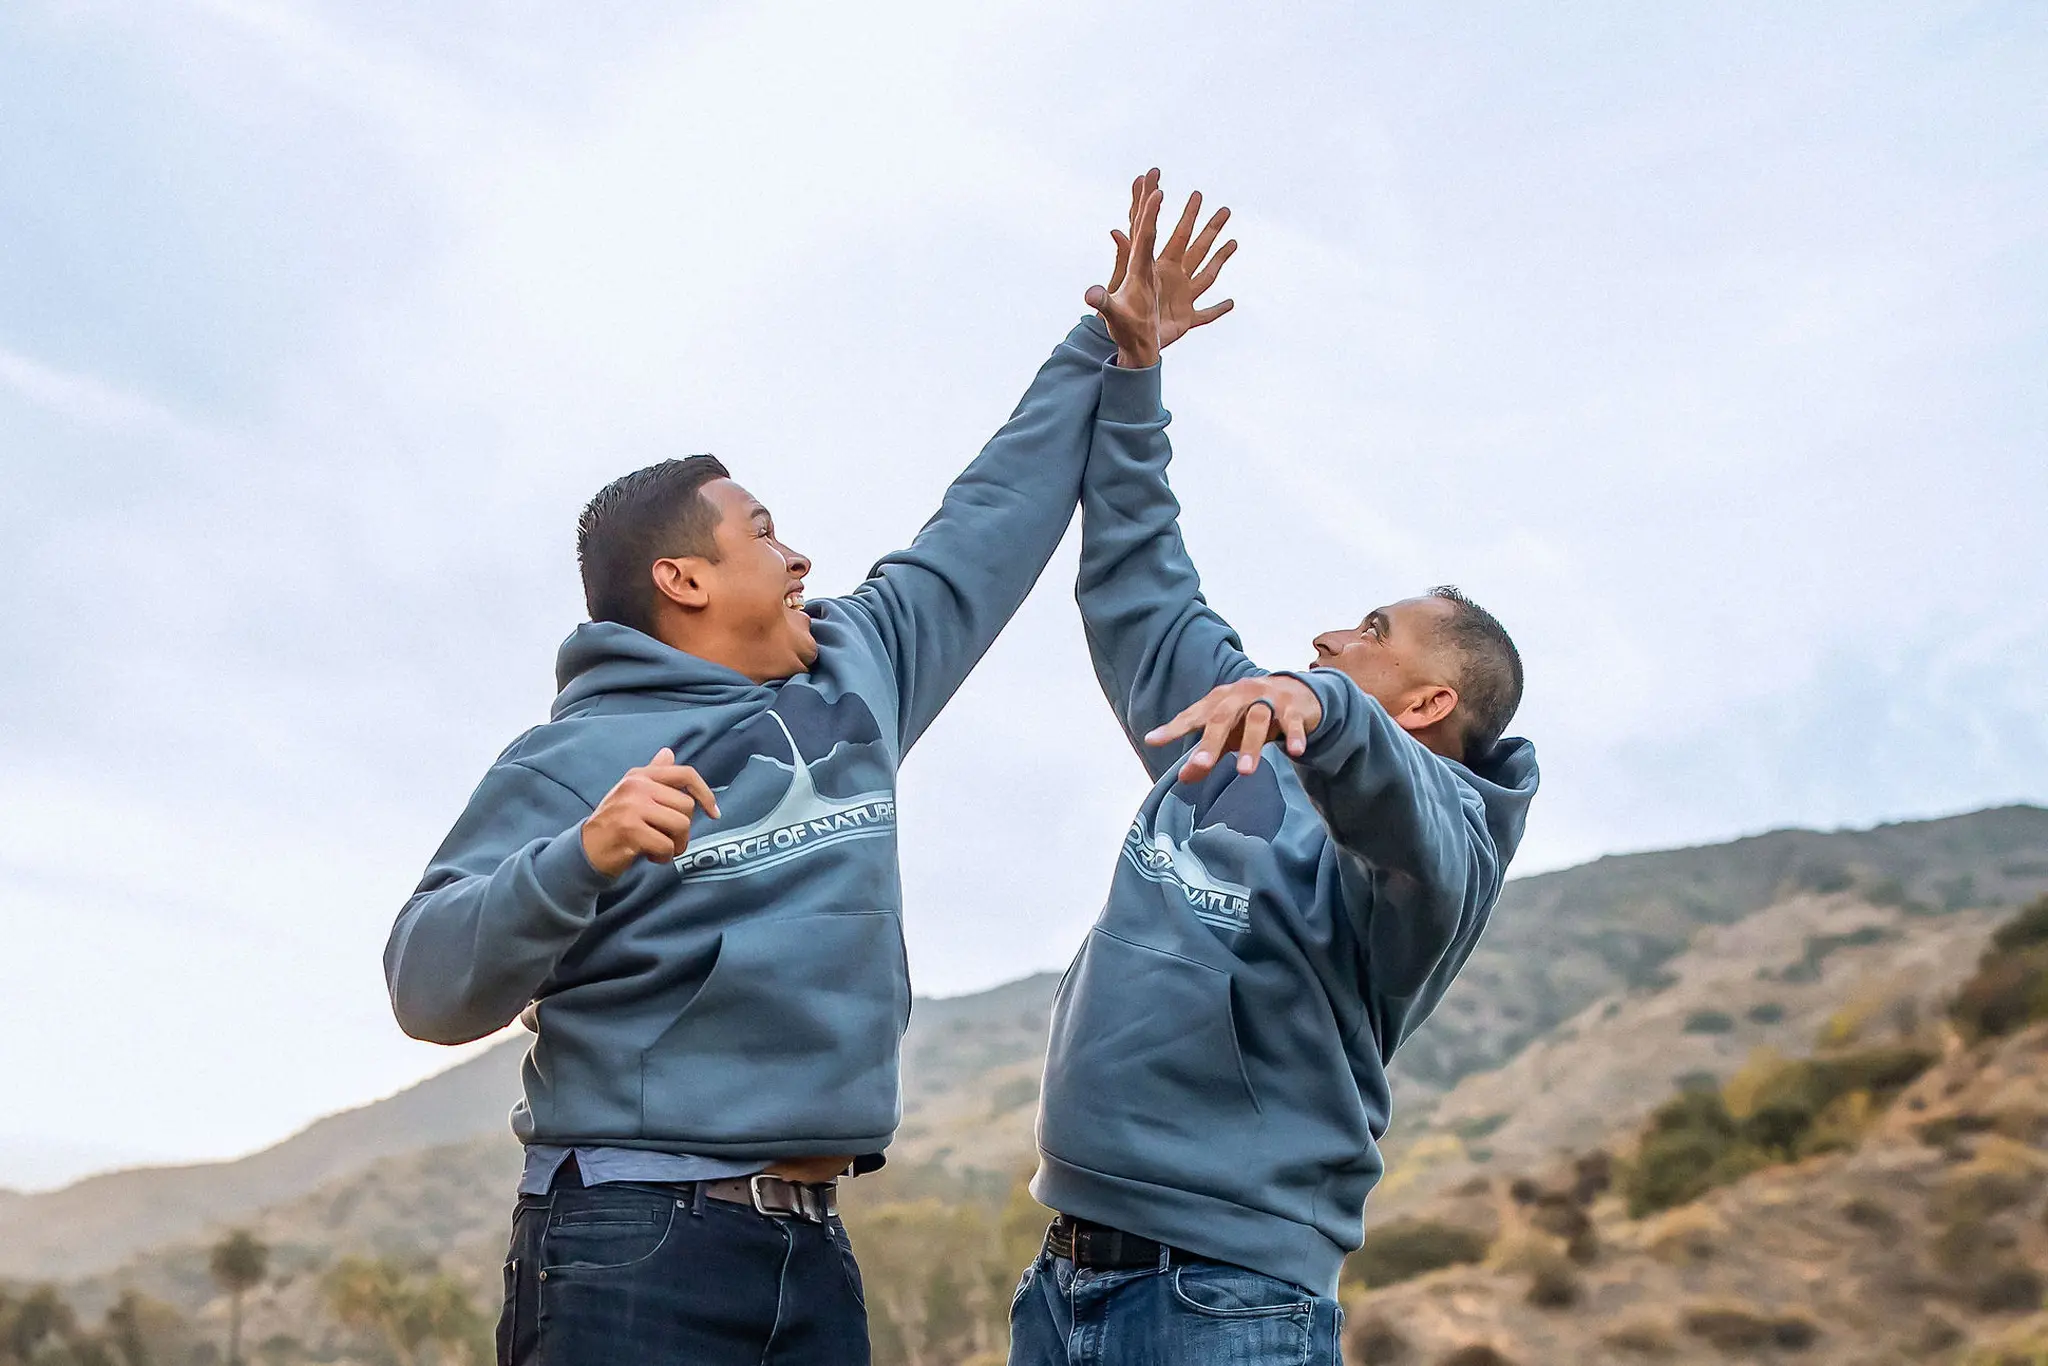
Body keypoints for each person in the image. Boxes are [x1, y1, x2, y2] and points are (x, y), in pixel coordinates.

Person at [381, 181, 1232, 1366]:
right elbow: (427, 986)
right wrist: (579, 856)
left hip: (812, 1245)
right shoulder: (568, 758)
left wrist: (1113, 346)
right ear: (682, 579)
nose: (799, 556)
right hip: (629, 1243)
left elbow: (988, 512)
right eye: (765, 533)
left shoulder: (859, 665)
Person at [1010, 172, 1540, 1366]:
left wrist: (1315, 701)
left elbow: (1397, 803)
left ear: (1428, 700)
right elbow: (1141, 574)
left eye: (1368, 631)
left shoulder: (1440, 844)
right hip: (1066, 1273)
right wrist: (1132, 370)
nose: (1325, 639)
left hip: (1228, 1297)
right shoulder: (1238, 721)